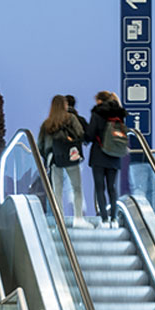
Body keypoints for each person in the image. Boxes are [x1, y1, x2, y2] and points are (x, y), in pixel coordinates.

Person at [37, 94, 88, 223]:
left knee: (57, 191)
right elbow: (80, 134)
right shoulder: (71, 118)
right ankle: (78, 218)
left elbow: (40, 144)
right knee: (77, 188)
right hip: (71, 156)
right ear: (64, 105)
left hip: (54, 159)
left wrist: (46, 157)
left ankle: (59, 219)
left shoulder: (47, 123)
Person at [85, 90, 129, 225]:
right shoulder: (119, 114)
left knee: (100, 187)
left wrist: (83, 137)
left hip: (99, 154)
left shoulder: (97, 113)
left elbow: (90, 134)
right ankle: (114, 217)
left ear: (99, 100)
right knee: (112, 187)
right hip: (115, 155)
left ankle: (104, 218)